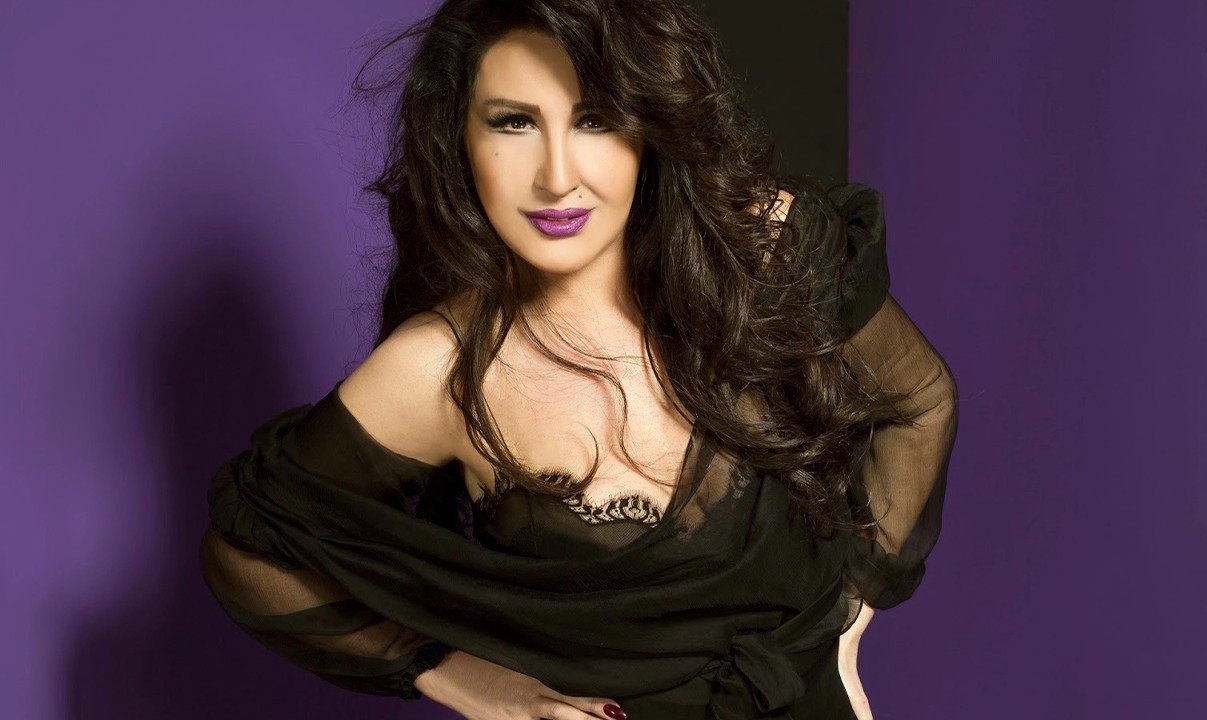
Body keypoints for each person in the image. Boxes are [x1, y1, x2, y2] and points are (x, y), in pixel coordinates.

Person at [197, 0, 959, 718]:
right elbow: (248, 550)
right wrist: (463, 678)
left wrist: (845, 620)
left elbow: (921, 403)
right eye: (514, 122)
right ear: (459, 138)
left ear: (647, 126)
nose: (557, 177)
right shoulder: (442, 371)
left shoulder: (763, 256)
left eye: (594, 119)